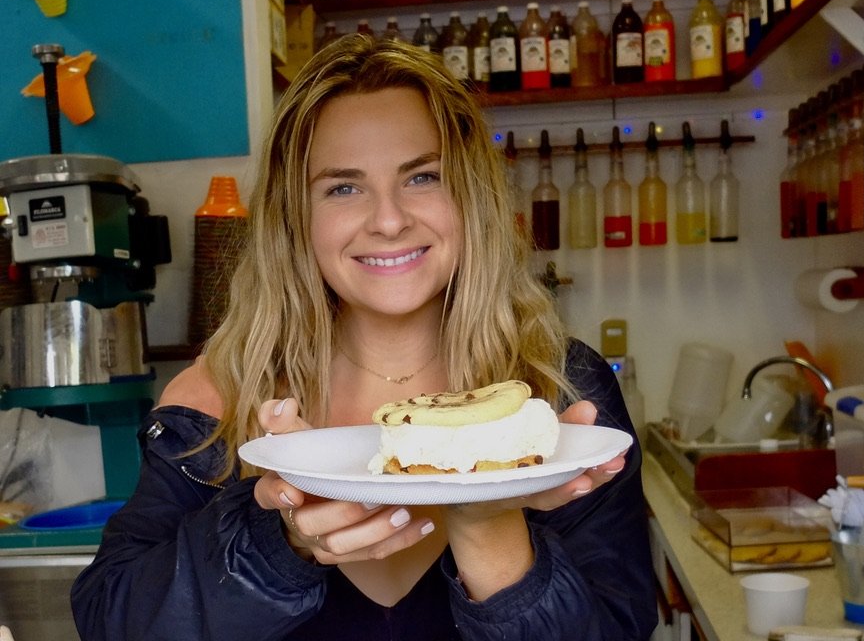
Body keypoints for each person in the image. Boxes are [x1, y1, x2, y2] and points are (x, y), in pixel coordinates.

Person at [70, 35, 657, 640]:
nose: (389, 219)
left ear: (471, 197)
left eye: (423, 176)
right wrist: (281, 536)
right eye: (343, 187)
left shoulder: (560, 390)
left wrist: (489, 524)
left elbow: (621, 627)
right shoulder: (215, 400)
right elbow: (112, 621)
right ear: (295, 217)